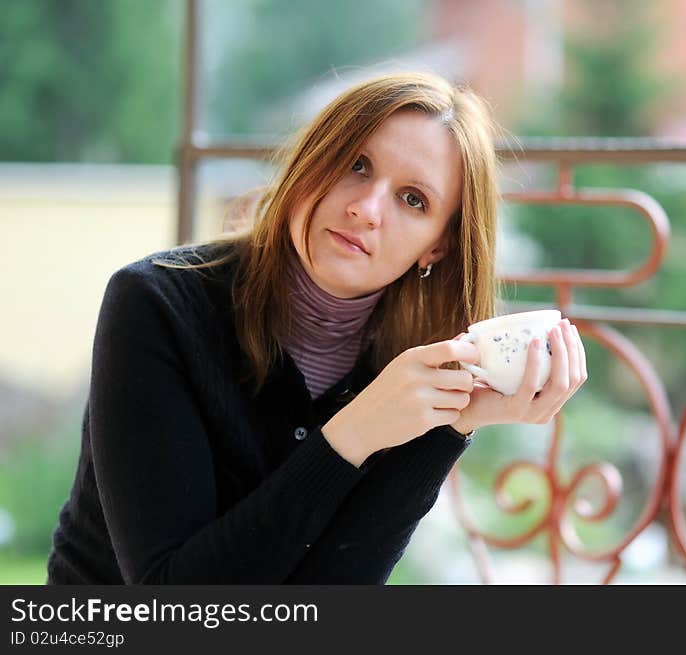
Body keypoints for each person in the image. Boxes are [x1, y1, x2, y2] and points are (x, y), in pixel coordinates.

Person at [46, 72, 587, 584]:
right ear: (311, 163)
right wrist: (355, 432)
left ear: (437, 246)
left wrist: (450, 425)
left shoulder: (408, 373)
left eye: (413, 199)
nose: (367, 209)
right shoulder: (156, 303)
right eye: (355, 165)